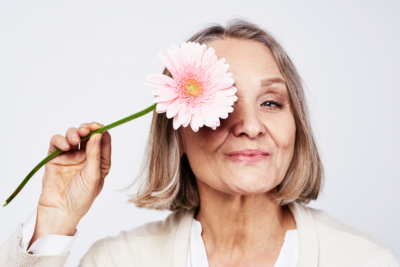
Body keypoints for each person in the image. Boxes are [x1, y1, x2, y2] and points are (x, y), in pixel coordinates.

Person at [1, 19, 399, 267]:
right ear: (179, 134)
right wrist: (55, 222)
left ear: (297, 128)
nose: (250, 126)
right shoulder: (118, 261)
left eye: (271, 102)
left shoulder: (365, 262)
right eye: (224, 106)